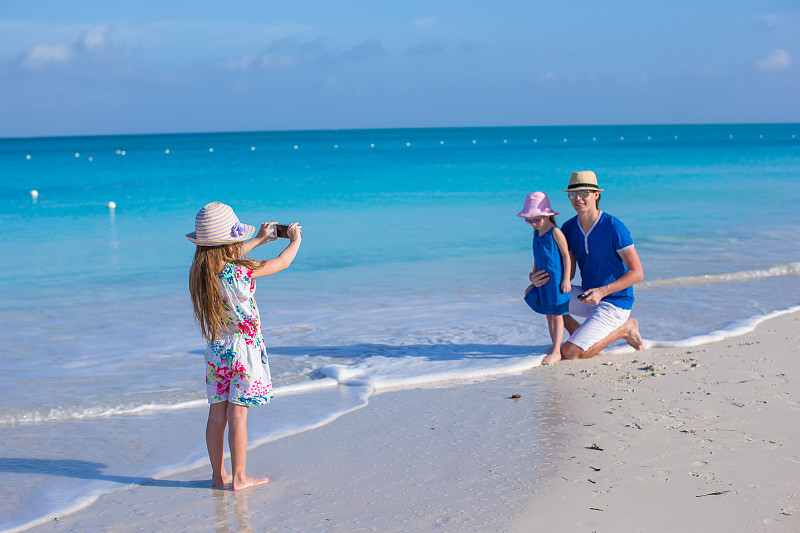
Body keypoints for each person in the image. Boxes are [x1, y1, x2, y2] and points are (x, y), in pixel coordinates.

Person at [187, 201, 302, 490]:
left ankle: (218, 476)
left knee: (216, 415)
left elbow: (227, 255)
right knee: (238, 414)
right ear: (230, 241)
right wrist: (295, 240)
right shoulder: (240, 272)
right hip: (244, 350)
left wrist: (260, 239)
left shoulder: (202, 271)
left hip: (218, 349)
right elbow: (283, 262)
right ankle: (239, 478)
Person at [529, 171, 643, 361]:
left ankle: (624, 329)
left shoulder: (614, 227)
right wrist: (536, 278)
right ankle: (584, 336)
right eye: (572, 194)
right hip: (587, 296)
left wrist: (602, 292)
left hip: (615, 302)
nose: (578, 198)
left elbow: (637, 273)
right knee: (542, 296)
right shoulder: (568, 229)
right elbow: (568, 272)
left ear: (596, 194)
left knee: (571, 353)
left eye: (583, 192)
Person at [518, 192, 571, 364]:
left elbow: (565, 256)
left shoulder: (555, 232)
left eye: (537, 219)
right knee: (548, 314)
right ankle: (554, 345)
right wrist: (532, 274)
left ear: (547, 215)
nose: (533, 223)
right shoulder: (536, 233)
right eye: (529, 220)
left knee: (557, 315)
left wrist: (566, 280)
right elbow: (537, 257)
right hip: (542, 280)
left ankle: (557, 351)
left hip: (556, 280)